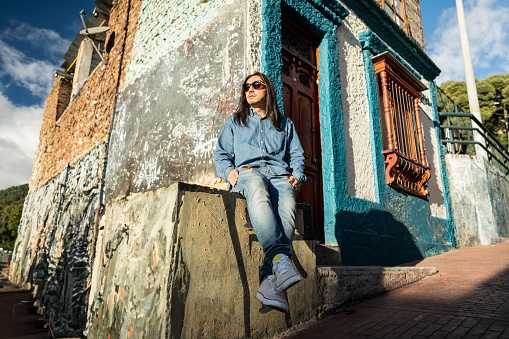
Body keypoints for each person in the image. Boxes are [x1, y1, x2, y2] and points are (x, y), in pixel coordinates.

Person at [214, 72, 306, 313]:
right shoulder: (235, 122)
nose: (250, 90)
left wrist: (297, 174)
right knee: (256, 184)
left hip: (279, 175)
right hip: (247, 172)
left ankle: (269, 281)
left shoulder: (285, 124)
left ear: (268, 90)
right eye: (246, 87)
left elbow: (296, 155)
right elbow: (221, 153)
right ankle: (280, 259)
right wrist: (228, 172)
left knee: (286, 205)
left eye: (256, 85)